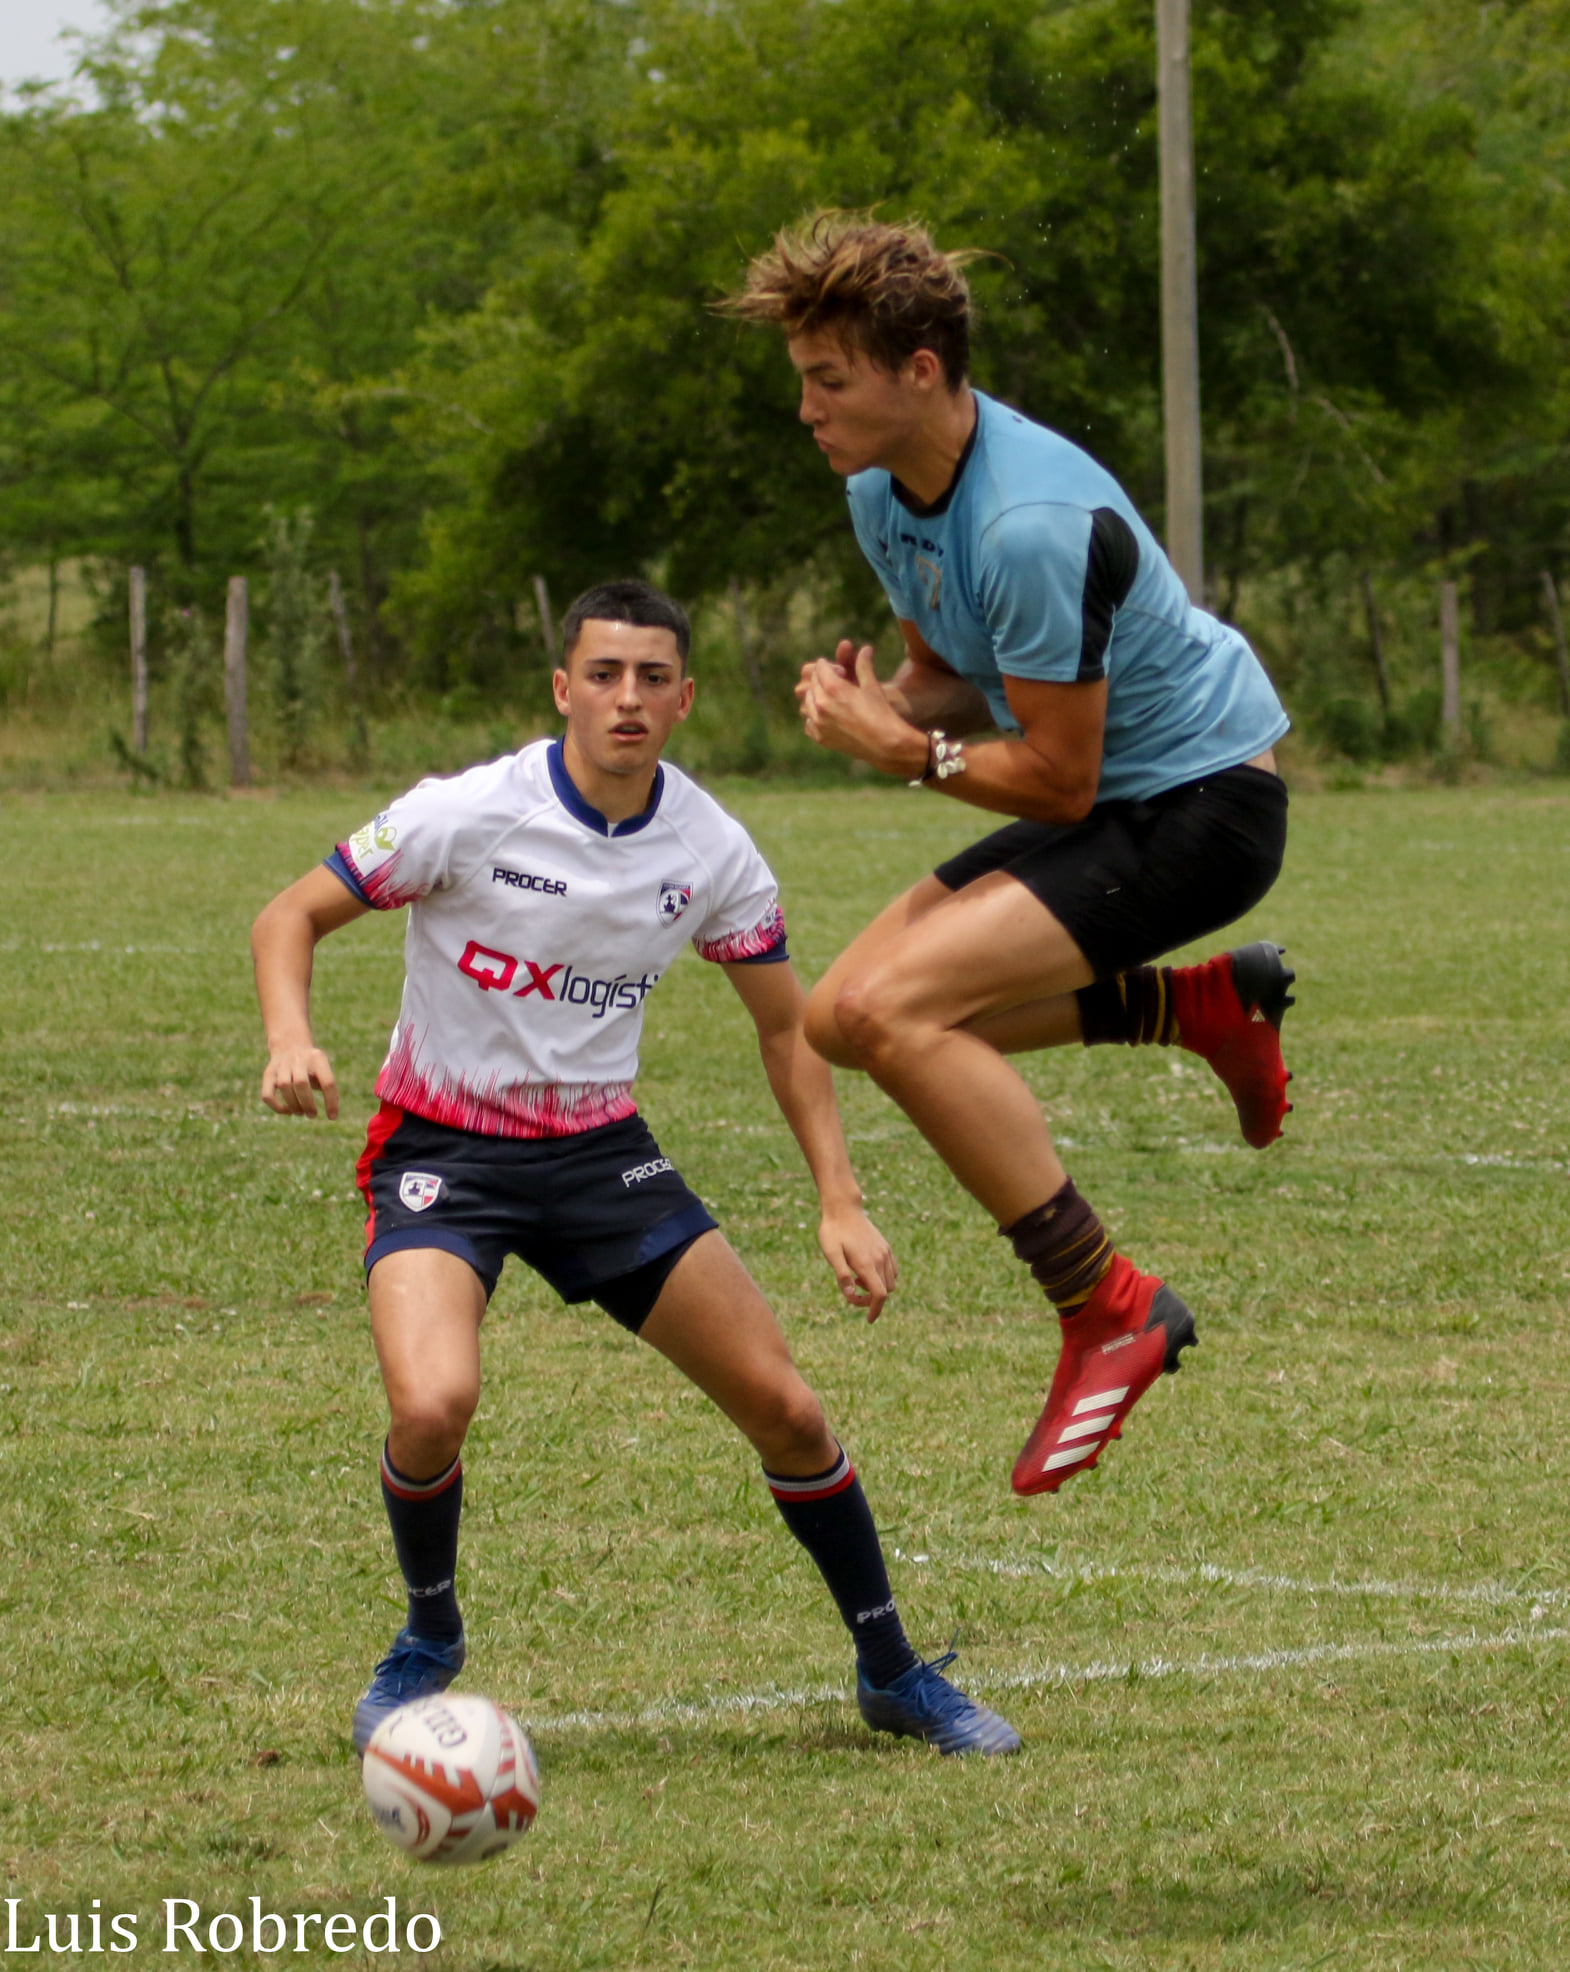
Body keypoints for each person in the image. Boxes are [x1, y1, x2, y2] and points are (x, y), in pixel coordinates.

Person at [250, 577, 1019, 1758]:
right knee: (431, 1402)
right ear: (564, 688)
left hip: (601, 1156)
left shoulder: (710, 849)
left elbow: (784, 1024)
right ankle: (426, 1638)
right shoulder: (466, 812)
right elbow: (286, 917)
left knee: (789, 1409)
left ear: (684, 699)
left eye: (652, 678)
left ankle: (893, 1670)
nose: (626, 697)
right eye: (603, 674)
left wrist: (839, 1198)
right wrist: (291, 1036)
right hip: (442, 1153)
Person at [722, 214, 1295, 1497]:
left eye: (830, 380)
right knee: (835, 1018)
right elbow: (956, 682)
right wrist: (887, 708)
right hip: (1112, 795)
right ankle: (1197, 1003)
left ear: (918, 370)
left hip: (1202, 807)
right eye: (802, 380)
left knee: (893, 1006)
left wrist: (897, 752)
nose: (807, 409)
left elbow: (1058, 771)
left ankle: (1108, 1306)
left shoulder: (1033, 522)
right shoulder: (880, 490)